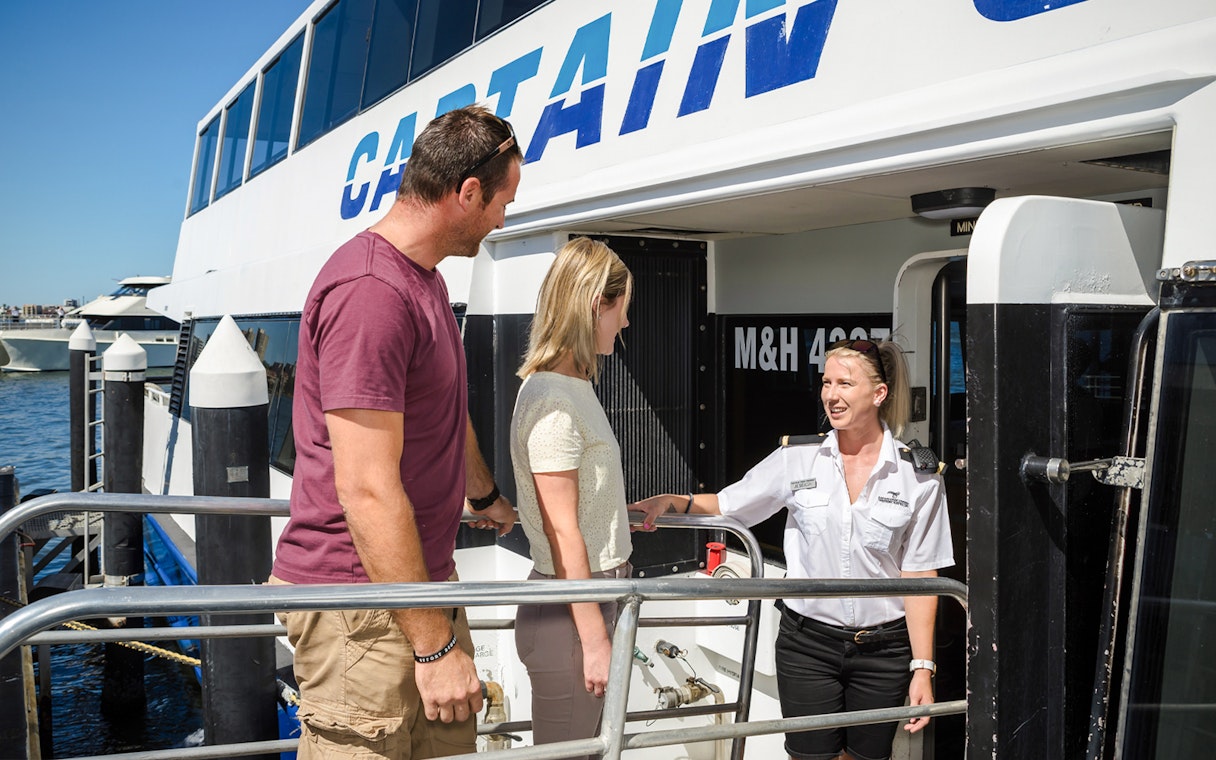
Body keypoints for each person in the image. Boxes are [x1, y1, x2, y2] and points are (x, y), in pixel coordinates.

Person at [268, 104, 521, 759]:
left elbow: (444, 408)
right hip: (363, 607)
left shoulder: (426, 281)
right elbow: (366, 488)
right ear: (467, 193)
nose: (503, 219)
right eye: (502, 202)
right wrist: (434, 646)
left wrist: (484, 495)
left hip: (417, 589)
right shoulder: (372, 291)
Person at [635, 339, 954, 760]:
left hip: (885, 652)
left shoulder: (920, 477)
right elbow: (729, 505)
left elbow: (920, 577)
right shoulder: (797, 459)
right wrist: (673, 502)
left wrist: (922, 669)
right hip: (807, 646)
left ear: (879, 394)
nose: (830, 395)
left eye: (844, 383)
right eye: (825, 382)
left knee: (868, 757)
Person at [509, 237, 638, 756]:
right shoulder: (553, 400)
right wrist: (596, 641)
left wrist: (616, 517)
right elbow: (562, 531)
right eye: (620, 310)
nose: (624, 324)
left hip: (591, 602)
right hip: (573, 618)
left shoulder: (570, 388)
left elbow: (577, 507)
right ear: (593, 306)